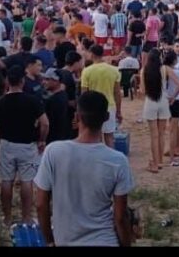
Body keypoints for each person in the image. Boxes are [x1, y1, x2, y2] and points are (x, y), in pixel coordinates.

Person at [34, 91, 136, 246]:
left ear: (76, 117)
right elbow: (120, 217)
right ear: (106, 117)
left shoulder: (53, 152)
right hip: (104, 240)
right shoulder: (118, 160)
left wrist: (49, 241)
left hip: (66, 240)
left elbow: (41, 204)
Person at [0, 66, 49, 225]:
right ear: (22, 81)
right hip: (27, 145)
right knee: (27, 181)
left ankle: (7, 217)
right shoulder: (32, 100)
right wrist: (42, 140)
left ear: (7, 82)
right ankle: (26, 217)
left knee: (6, 181)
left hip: (7, 144)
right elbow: (45, 123)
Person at [80, 44, 122, 148]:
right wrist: (118, 110)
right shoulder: (114, 70)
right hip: (109, 106)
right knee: (109, 137)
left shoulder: (86, 71)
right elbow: (117, 93)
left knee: (95, 137)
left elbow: (84, 93)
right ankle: (110, 157)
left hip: (92, 108)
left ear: (92, 54)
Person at [41, 68, 72, 143]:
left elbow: (48, 123)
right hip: (62, 138)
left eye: (47, 79)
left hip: (53, 140)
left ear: (56, 81)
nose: (43, 82)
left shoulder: (53, 100)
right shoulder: (63, 95)